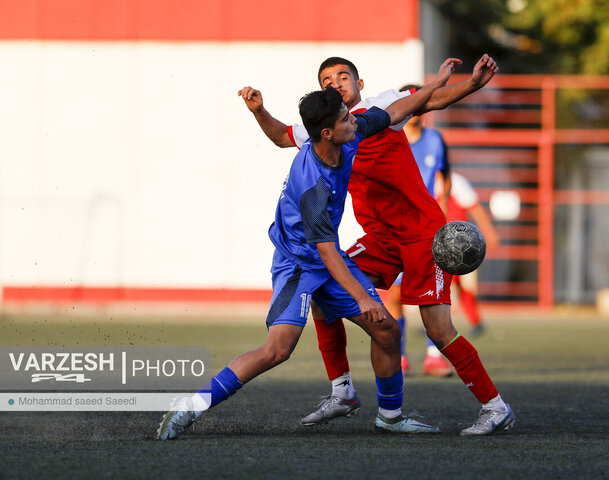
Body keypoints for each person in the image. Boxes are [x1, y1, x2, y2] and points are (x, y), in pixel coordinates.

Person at [157, 60, 458, 440]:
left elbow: (396, 110)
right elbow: (328, 254)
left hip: (325, 255)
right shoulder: (313, 188)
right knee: (277, 350)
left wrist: (434, 86)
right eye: (349, 120)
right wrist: (361, 297)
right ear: (329, 133)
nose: (357, 121)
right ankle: (191, 406)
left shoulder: (342, 134)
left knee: (385, 329)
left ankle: (390, 416)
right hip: (300, 264)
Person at [240, 54, 516, 436]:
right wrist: (259, 109)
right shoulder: (323, 127)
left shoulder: (381, 107)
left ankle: (494, 406)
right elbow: (278, 135)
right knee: (322, 290)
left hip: (422, 235)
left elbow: (430, 100)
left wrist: (471, 84)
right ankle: (342, 391)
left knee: (437, 330)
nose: (336, 82)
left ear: (359, 83)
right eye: (327, 79)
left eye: (343, 76)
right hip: (382, 239)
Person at [388, 87, 454, 377]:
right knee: (395, 294)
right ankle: (399, 355)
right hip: (396, 227)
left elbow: (446, 176)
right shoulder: (389, 140)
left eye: (423, 102)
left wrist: (442, 210)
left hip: (428, 228)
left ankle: (433, 357)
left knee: (432, 292)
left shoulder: (436, 140)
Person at [436, 171, 500, 336]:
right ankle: (435, 321)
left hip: (461, 243)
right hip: (440, 243)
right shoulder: (424, 178)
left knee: (464, 285)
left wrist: (489, 233)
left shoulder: (456, 182)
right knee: (440, 283)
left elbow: (475, 208)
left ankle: (475, 320)